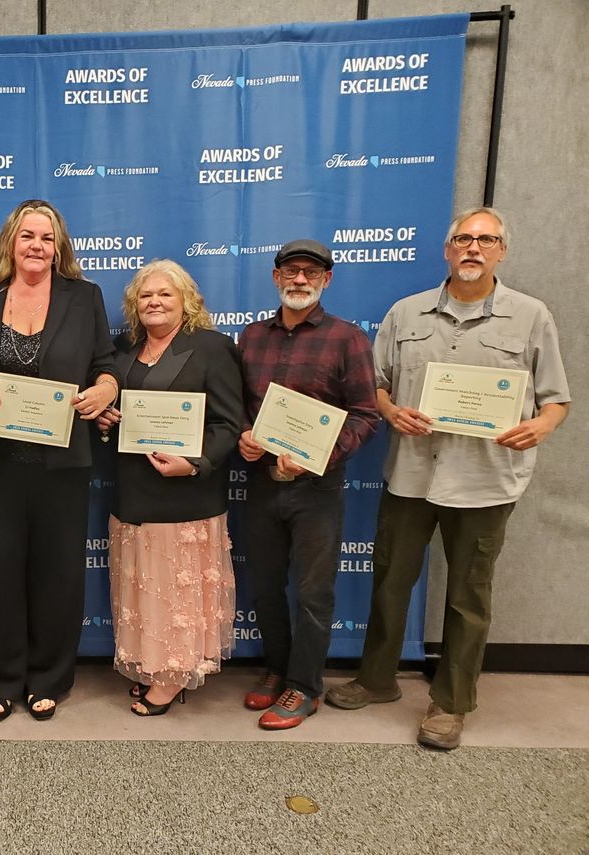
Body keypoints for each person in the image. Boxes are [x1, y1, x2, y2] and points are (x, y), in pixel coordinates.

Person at [325, 207, 570, 750]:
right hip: (412, 476)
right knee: (390, 583)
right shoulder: (405, 313)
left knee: (467, 596)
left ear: (502, 252)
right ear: (447, 249)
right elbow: (377, 385)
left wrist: (541, 426)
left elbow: (557, 399)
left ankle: (451, 702)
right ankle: (376, 679)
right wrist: (390, 411)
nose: (473, 248)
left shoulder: (531, 316)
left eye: (486, 240)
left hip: (486, 482)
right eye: (463, 238)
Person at [0, 199, 119, 722]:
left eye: (47, 237)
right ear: (10, 243)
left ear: (58, 246)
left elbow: (106, 365)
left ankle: (48, 677)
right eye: (28, 236)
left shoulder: (84, 297)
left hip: (62, 462)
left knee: (57, 573)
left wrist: (105, 391)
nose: (37, 246)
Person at [236, 239, 380, 729]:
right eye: (291, 271)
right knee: (266, 586)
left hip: (317, 488)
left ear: (326, 279)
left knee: (313, 592)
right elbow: (240, 407)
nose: (300, 279)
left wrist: (319, 457)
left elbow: (366, 414)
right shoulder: (251, 337)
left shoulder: (348, 339)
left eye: (311, 272)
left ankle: (305, 687)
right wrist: (244, 437)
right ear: (276, 277)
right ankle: (278, 669)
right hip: (262, 482)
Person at [97, 260, 244, 716]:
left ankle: (172, 675)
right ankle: (153, 664)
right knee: (145, 588)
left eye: (165, 294)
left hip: (186, 494)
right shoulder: (122, 350)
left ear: (186, 301)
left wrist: (194, 464)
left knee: (176, 590)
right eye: (146, 295)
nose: (155, 302)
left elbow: (228, 423)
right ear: (134, 305)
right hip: (133, 492)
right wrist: (105, 421)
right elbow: (114, 412)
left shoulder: (212, 348)